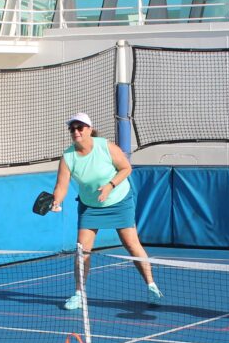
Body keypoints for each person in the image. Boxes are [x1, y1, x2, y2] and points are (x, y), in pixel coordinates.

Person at [51, 112, 161, 309]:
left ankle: (152, 286)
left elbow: (126, 168)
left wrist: (110, 186)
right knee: (81, 250)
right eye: (72, 128)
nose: (76, 131)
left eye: (80, 127)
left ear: (89, 129)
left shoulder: (105, 146)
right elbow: (61, 185)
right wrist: (56, 201)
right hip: (91, 207)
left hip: (119, 200)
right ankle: (78, 293)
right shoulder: (68, 157)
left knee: (131, 245)